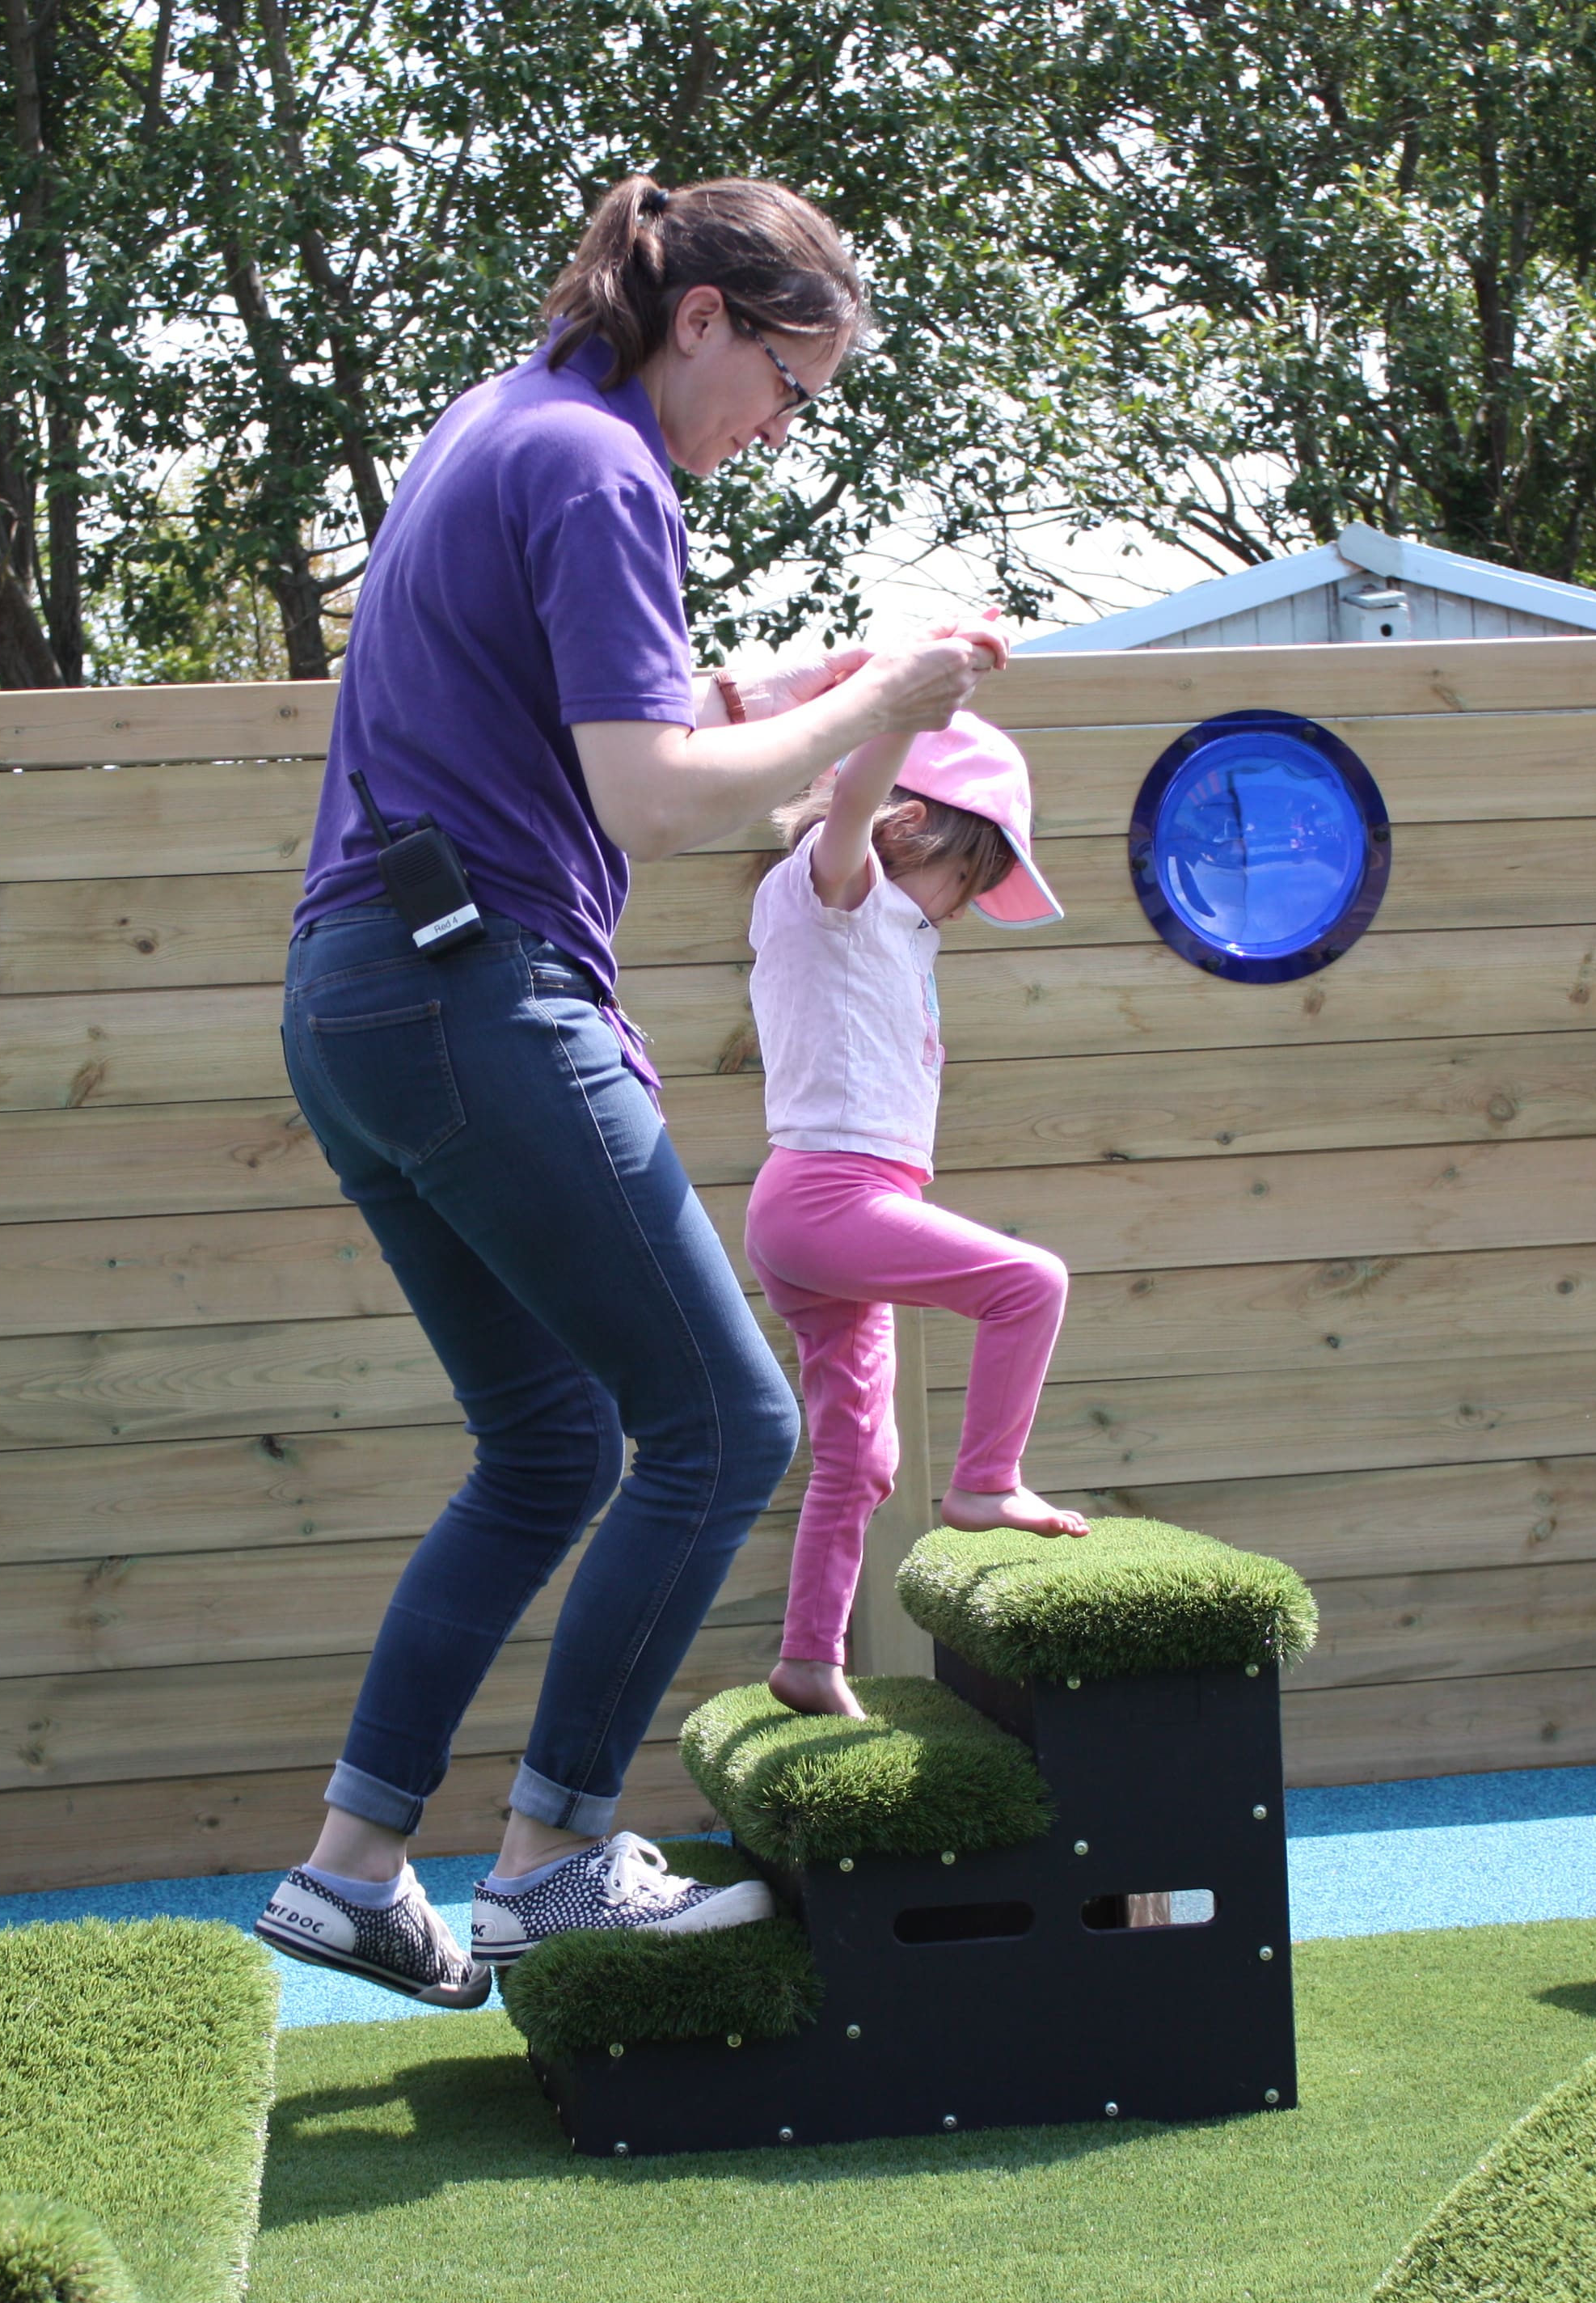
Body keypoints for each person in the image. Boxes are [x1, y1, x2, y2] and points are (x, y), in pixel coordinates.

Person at [251, 175, 1008, 2007]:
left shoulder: (495, 426)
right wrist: (889, 703)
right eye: (789, 384)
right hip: (475, 1001)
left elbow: (607, 722)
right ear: (702, 322)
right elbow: (655, 800)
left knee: (548, 1448)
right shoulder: (605, 469)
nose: (778, 431)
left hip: (357, 1002)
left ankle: (357, 1864)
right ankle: (555, 1856)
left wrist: (801, 685)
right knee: (729, 1427)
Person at [741, 712, 1093, 1721]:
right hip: (827, 1196)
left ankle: (809, 1657)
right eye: (970, 881)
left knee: (861, 1460)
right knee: (1031, 1282)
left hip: (835, 1208)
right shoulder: (838, 888)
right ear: (917, 830)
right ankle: (987, 1480)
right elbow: (852, 798)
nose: (969, 908)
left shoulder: (888, 922)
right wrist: (905, 704)